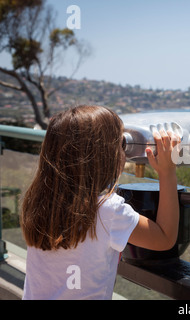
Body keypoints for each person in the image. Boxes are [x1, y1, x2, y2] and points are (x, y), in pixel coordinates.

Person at [20, 105, 180, 299]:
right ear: (104, 156)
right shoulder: (108, 211)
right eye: (121, 144)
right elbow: (164, 238)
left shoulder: (38, 203)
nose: (124, 152)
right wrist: (167, 172)